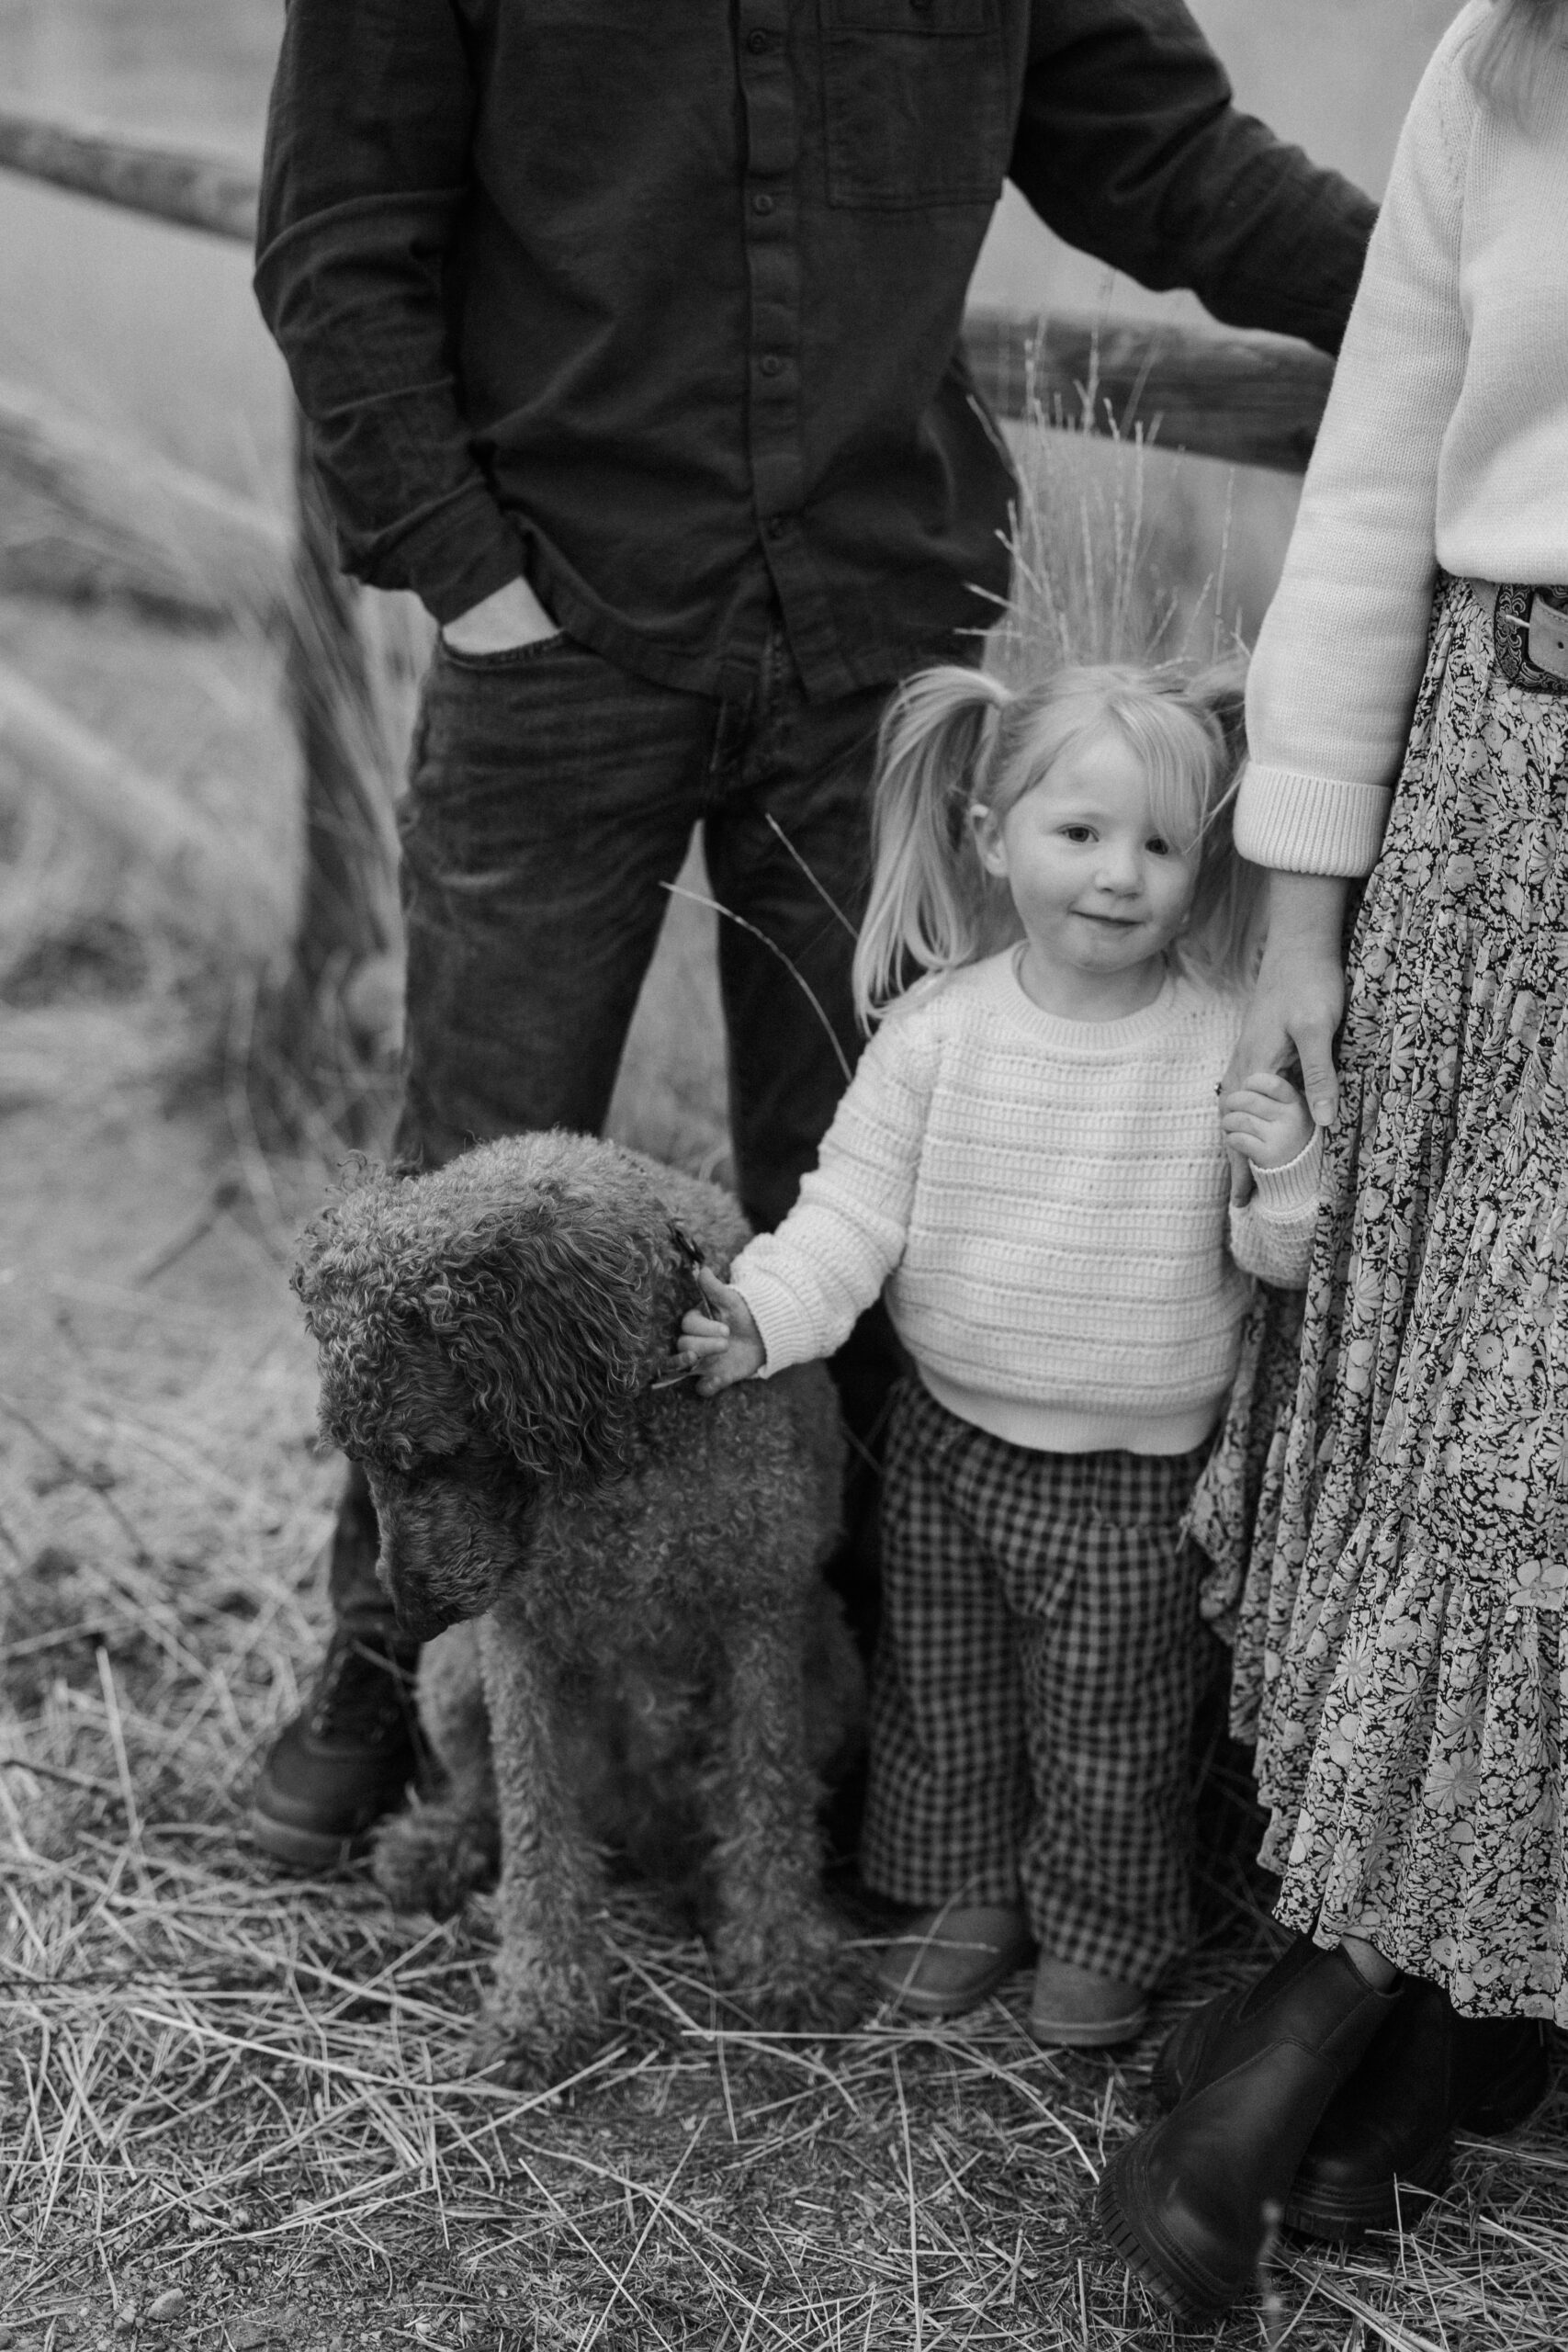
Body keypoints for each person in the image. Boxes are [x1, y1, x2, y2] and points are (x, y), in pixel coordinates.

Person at [247, 0, 1375, 1872]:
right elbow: (337, 234)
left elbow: (1161, 158)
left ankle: (836, 1713)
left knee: (865, 1189)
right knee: (462, 1193)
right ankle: (396, 1645)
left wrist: (1459, 298)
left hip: (872, 641)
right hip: (557, 629)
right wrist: (467, 570)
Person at [1100, 0, 1567, 2321]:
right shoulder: (1501, 64)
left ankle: (1315, 2043)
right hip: (1490, 804)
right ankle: (1424, 2017)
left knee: (1530, 1439)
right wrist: (1298, 898)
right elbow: (1377, 483)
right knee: (1421, 1415)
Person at [674, 659, 1320, 2046]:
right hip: (950, 1449)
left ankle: (1101, 1926)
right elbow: (851, 1214)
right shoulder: (938, 1033)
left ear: (1204, 863)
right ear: (992, 836)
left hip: (1142, 1483)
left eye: (1160, 843)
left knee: (1115, 1731)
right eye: (1079, 833)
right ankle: (968, 1894)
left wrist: (1287, 1180)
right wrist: (763, 1319)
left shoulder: (1220, 1043)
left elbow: (1278, 1272)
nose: (1118, 875)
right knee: (946, 1697)